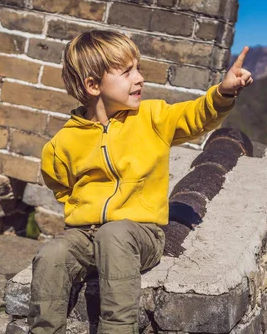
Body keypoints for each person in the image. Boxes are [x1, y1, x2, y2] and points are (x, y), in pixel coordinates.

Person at [29, 30, 253, 333]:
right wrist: (84, 210)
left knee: (116, 235)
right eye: (126, 72)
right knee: (50, 255)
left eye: (138, 68)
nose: (139, 78)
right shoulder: (63, 142)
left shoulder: (152, 117)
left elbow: (196, 116)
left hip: (140, 235)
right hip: (86, 236)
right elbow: (60, 184)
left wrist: (223, 93)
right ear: (93, 85)